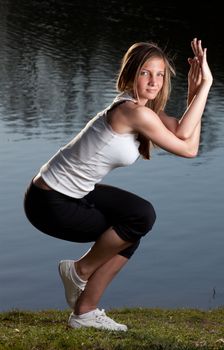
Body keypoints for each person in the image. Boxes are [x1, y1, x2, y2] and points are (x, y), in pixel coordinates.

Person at [24, 38, 213, 331]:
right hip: (50, 202)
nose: (154, 81)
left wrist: (193, 91)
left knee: (133, 225)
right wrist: (206, 85)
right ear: (131, 74)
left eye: (160, 74)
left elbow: (189, 142)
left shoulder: (142, 110)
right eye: (145, 73)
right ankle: (79, 270)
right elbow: (186, 143)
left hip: (69, 194)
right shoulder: (132, 112)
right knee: (139, 217)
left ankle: (84, 312)